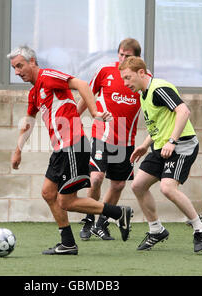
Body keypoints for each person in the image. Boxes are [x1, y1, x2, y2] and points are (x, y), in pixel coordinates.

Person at [8, 45, 133, 255]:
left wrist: (94, 112)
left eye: (20, 66)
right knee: (48, 193)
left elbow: (82, 84)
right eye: (14, 68)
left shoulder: (48, 76)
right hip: (61, 150)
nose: (17, 72)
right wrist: (18, 149)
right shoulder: (34, 92)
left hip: (73, 146)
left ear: (32, 62)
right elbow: (29, 120)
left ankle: (119, 213)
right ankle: (67, 243)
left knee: (66, 201)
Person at [119, 56, 202, 253]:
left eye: (128, 78)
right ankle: (156, 230)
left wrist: (172, 141)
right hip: (161, 147)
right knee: (138, 185)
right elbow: (159, 126)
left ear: (141, 73)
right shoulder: (144, 95)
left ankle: (200, 227)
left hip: (182, 145)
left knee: (168, 188)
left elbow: (184, 111)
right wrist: (144, 145)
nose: (125, 84)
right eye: (123, 79)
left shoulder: (159, 88)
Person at [77, 38, 142, 241]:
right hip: (102, 134)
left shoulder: (143, 79)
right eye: (121, 54)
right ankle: (88, 219)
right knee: (96, 178)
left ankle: (101, 223)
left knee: (118, 185)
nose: (123, 59)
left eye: (128, 55)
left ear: (136, 57)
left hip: (126, 139)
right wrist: (73, 120)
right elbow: (87, 95)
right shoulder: (106, 72)